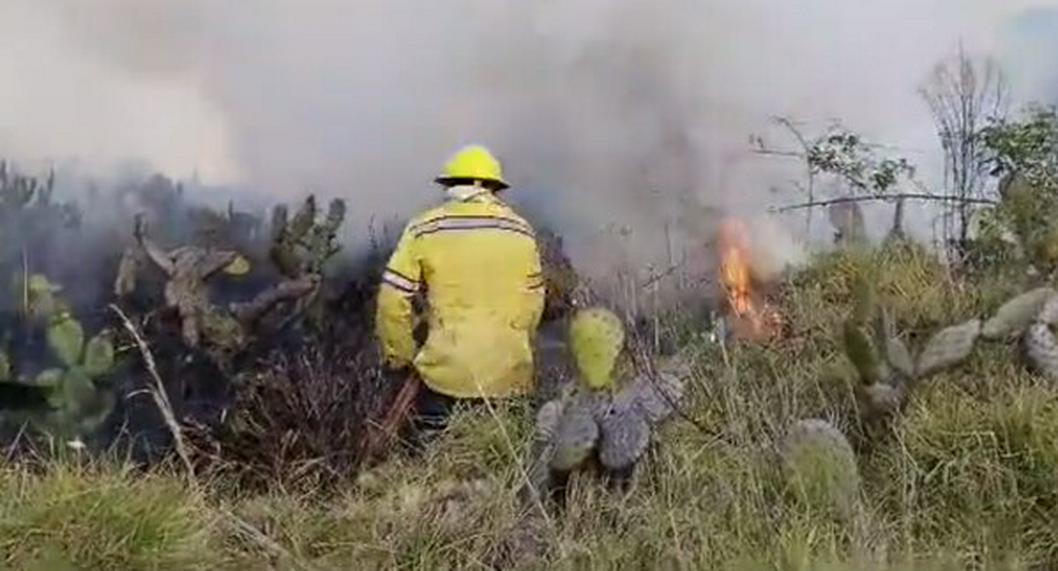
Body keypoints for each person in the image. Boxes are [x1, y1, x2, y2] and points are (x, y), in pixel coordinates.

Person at [375, 144, 546, 451]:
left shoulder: (426, 227)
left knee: (433, 467)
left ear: (450, 185)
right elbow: (534, 302)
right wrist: (519, 347)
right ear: (493, 187)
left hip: (444, 376)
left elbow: (392, 297)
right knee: (504, 465)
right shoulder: (521, 230)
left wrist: (399, 356)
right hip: (510, 376)